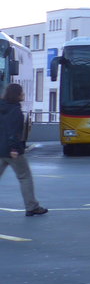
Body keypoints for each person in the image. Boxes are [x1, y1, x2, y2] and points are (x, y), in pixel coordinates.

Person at [0, 82, 47, 216]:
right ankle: (32, 206)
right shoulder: (16, 111)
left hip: (0, 149)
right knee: (25, 177)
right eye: (22, 92)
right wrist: (14, 148)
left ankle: (32, 206)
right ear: (17, 95)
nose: (23, 94)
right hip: (12, 151)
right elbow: (14, 131)